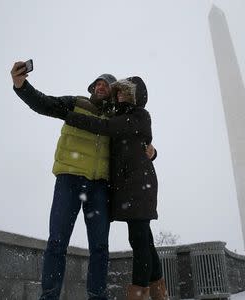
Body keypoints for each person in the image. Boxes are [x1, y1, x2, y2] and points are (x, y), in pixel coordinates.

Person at [10, 62, 155, 300]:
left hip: (99, 186)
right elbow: (44, 103)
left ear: (113, 92)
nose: (100, 87)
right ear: (91, 88)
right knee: (57, 241)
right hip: (69, 180)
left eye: (106, 85)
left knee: (99, 247)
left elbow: (135, 142)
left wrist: (151, 150)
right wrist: (22, 85)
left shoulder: (116, 118)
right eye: (97, 83)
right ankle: (49, 296)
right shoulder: (76, 103)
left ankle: (97, 297)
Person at [56, 76, 168, 300]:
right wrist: (153, 152)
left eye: (125, 93)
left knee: (138, 238)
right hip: (126, 187)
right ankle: (160, 294)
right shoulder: (120, 116)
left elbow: (104, 127)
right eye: (118, 92)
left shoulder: (138, 115)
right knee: (145, 239)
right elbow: (137, 147)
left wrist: (67, 115)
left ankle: (138, 294)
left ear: (136, 97)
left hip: (138, 186)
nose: (119, 96)